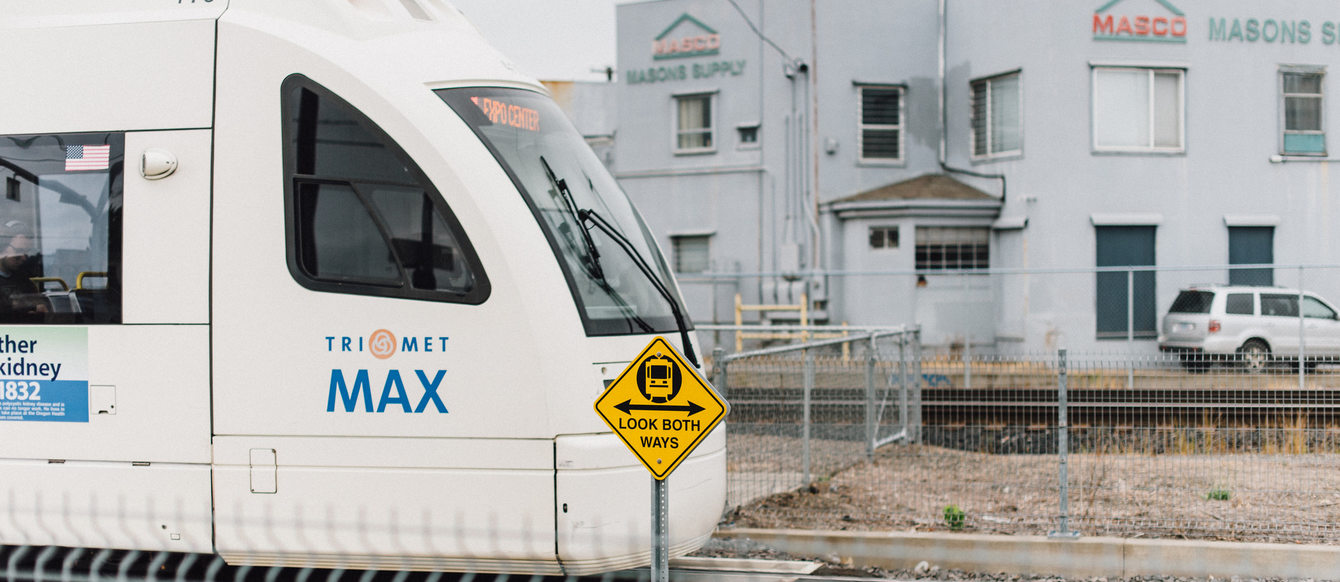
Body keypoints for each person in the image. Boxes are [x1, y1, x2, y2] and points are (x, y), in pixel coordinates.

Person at [0, 228, 47, 321]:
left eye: (26, 253)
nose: (23, 258)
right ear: (2, 249)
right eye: (18, 251)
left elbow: (38, 303)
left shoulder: (23, 279)